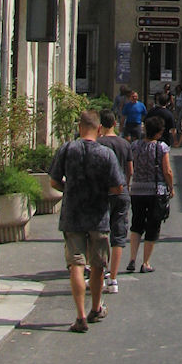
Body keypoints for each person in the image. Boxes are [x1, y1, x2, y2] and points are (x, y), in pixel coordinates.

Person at [48, 110, 124, 333]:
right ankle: (96, 308)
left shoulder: (67, 149)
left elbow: (53, 181)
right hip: (98, 215)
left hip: (72, 215)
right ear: (99, 129)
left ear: (79, 128)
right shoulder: (106, 154)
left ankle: (80, 315)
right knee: (98, 265)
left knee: (76, 264)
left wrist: (69, 189)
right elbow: (118, 187)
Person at [126, 115, 174, 274]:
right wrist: (171, 187)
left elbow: (131, 166)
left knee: (136, 224)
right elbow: (167, 171)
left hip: (137, 189)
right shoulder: (162, 147)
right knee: (152, 227)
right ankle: (145, 262)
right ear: (159, 133)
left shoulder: (135, 146)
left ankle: (132, 259)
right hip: (156, 191)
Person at [97, 108, 132, 293]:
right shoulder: (124, 144)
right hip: (121, 191)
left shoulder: (98, 143)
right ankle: (113, 278)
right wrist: (126, 185)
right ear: (115, 124)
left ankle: (99, 273)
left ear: (100, 126)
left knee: (100, 232)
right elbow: (130, 170)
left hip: (102, 192)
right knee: (118, 235)